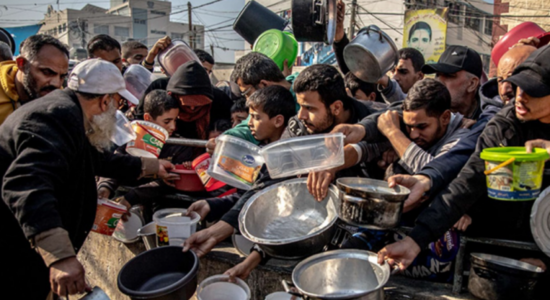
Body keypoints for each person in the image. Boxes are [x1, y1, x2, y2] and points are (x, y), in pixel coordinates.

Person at [1, 59, 174, 299]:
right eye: (118, 102)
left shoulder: (69, 113)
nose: (117, 109)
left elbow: (99, 160)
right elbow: (26, 185)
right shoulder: (56, 118)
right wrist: (60, 256)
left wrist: (153, 166)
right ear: (105, 101)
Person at [378, 45, 550, 281]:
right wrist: (415, 239)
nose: (519, 94)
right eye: (518, 83)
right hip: (504, 252)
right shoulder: (505, 125)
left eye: (533, 89)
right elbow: (466, 182)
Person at [184, 85, 296, 259]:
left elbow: (260, 196)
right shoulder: (261, 150)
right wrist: (212, 205)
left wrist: (216, 231)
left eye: (256, 117)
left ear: (278, 121)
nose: (249, 123)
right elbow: (247, 194)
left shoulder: (288, 156)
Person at [97, 90, 183, 201]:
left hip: (157, 202)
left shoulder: (179, 144)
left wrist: (131, 199)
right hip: (121, 194)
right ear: (148, 118)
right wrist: (105, 187)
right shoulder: (132, 137)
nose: (173, 127)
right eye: (167, 121)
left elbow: (168, 182)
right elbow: (116, 164)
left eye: (175, 120)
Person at [331, 0, 423, 102]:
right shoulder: (381, 95)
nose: (395, 77)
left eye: (403, 72)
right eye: (392, 71)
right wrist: (339, 34)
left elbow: (402, 101)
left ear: (419, 76)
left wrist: (388, 84)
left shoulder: (429, 103)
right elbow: (353, 72)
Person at [283, 64, 383, 138]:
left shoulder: (376, 120)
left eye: (309, 108)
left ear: (336, 108)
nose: (301, 115)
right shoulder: (298, 126)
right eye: (300, 106)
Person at [0, 34, 69, 125]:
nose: (56, 84)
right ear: (22, 64)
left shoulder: (58, 99)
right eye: (47, 72)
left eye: (62, 76)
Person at [422, 45, 484, 120]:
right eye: (437, 75)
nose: (438, 81)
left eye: (448, 76)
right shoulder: (426, 110)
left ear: (472, 84)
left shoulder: (491, 120)